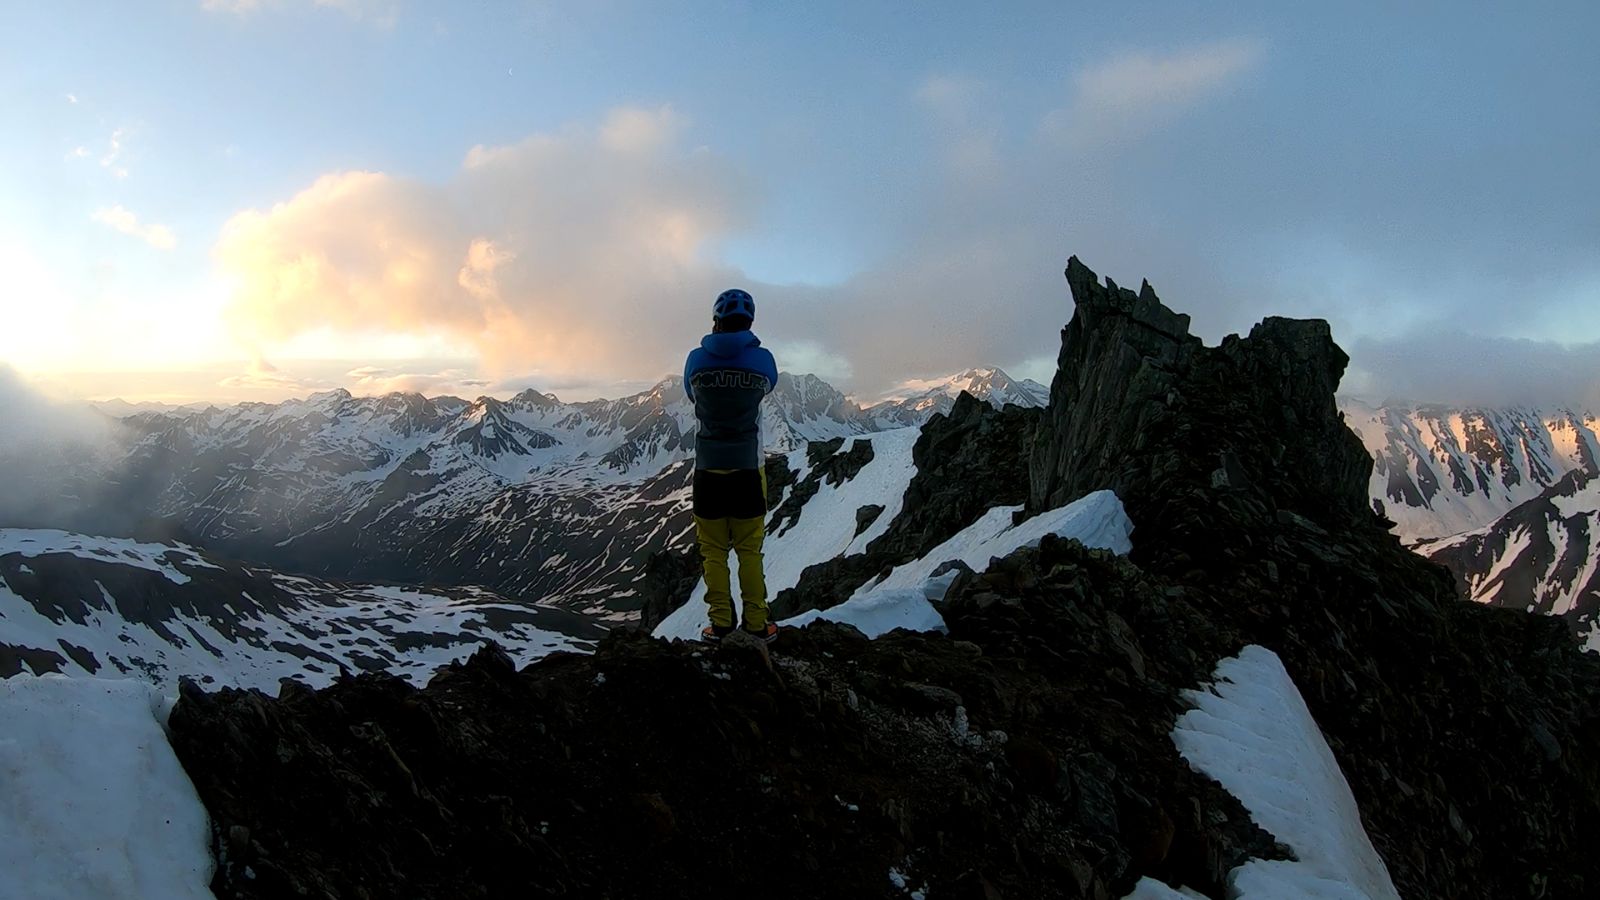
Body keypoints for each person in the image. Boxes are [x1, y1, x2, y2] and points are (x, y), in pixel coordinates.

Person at [683, 288, 779, 643]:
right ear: (750, 321)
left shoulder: (695, 361)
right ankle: (757, 624)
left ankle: (720, 624)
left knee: (713, 551)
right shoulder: (763, 361)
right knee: (749, 550)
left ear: (716, 320)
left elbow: (692, 395)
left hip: (707, 471)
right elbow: (769, 386)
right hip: (748, 471)